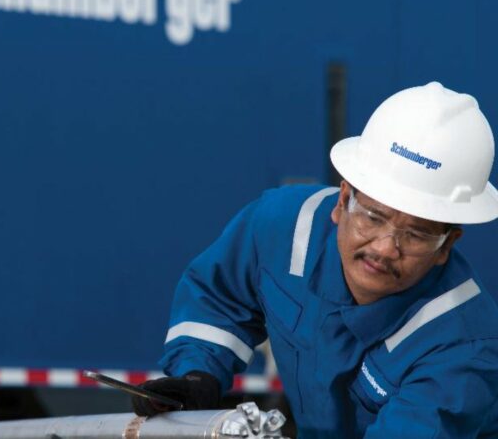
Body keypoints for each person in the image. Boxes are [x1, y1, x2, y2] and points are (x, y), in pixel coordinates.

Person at [132, 82, 498, 438]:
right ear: (342, 200)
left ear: (446, 245)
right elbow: (219, 299)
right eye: (373, 217)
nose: (386, 248)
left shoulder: (463, 348)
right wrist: (199, 374)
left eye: (416, 234)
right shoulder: (282, 228)